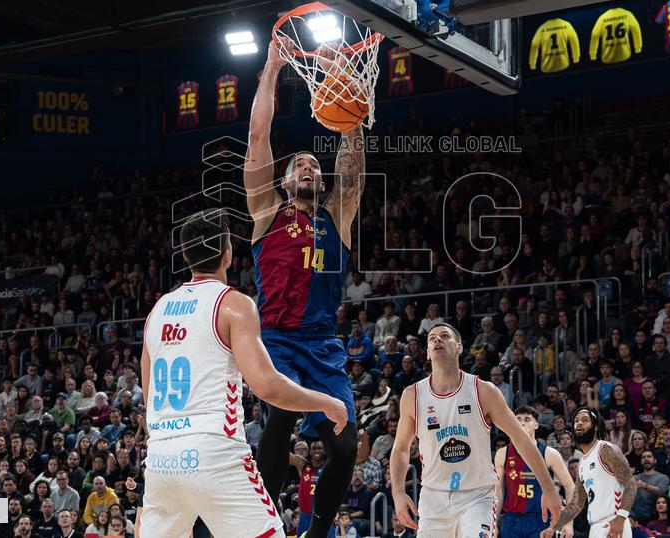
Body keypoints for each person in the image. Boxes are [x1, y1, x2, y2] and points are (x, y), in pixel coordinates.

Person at [137, 209, 347, 538]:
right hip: (214, 453)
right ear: (228, 253)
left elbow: (149, 395)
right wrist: (324, 401)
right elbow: (267, 385)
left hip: (162, 457)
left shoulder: (158, 310)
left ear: (186, 256)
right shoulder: (233, 303)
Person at [245, 38, 365, 538]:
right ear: (284, 179)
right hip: (274, 341)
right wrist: (272, 68)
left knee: (345, 447)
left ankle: (317, 533)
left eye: (314, 164)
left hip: (322, 346)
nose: (309, 167)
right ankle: (264, 522)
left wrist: (345, 87)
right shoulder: (266, 211)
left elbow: (352, 156)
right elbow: (258, 137)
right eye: (299, 164)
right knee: (277, 419)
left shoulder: (337, 216)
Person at [390, 323, 561, 536]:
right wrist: (397, 492)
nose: (437, 340)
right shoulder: (413, 395)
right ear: (427, 352)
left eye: (444, 336)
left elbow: (520, 438)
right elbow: (401, 448)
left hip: (477, 497)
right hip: (433, 498)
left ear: (459, 347)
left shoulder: (483, 391)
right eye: (432, 338)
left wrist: (548, 487)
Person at [542, 408, 637, 538]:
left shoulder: (606, 449)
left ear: (596, 427)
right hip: (595, 526)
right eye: (576, 421)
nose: (579, 423)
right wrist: (554, 527)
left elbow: (630, 484)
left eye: (585, 420)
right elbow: (577, 503)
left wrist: (621, 518)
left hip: (613, 522)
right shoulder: (582, 462)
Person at [494, 405, 576, 538]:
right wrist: (494, 523)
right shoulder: (502, 453)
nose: (522, 423)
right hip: (512, 520)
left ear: (536, 425)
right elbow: (498, 491)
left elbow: (570, 486)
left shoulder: (549, 453)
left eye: (527, 419)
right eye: (518, 419)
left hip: (540, 519)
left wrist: (568, 522)